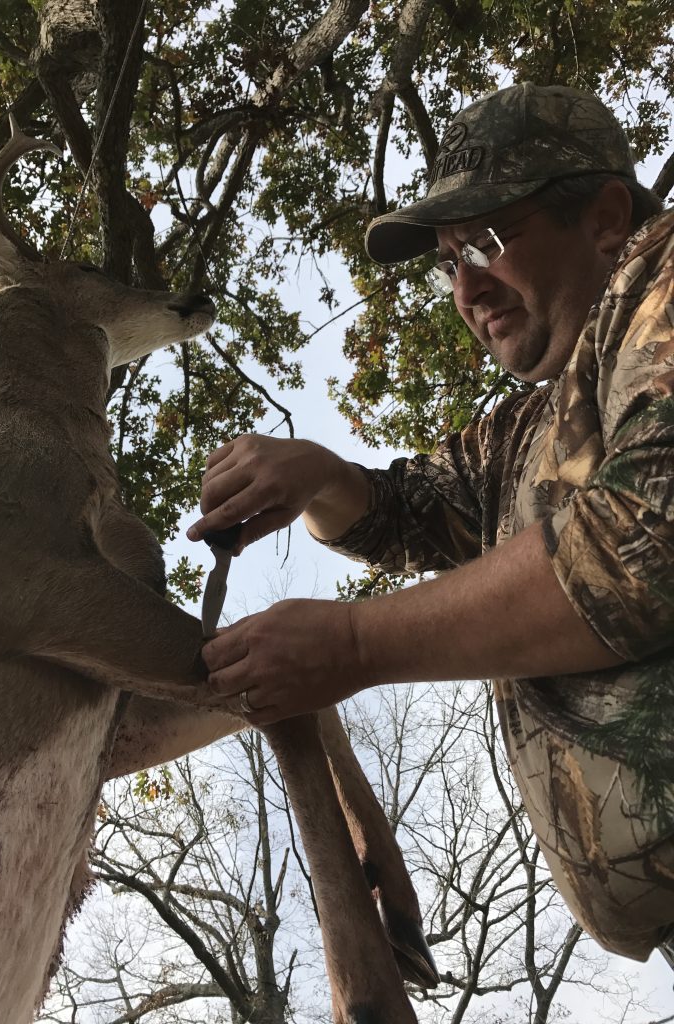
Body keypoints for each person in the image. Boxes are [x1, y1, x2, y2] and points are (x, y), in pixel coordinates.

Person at [187, 82, 674, 965]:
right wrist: (319, 477)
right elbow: (406, 512)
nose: (465, 287)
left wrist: (355, 647)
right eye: (448, 258)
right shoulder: (526, 431)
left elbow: (643, 544)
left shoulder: (665, 272)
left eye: (487, 240)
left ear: (606, 217)